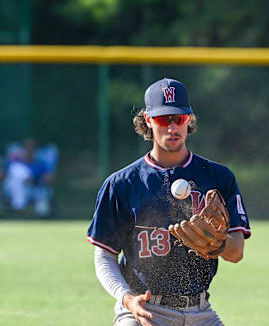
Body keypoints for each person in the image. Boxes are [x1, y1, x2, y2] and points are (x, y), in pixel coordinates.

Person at [87, 78, 251, 326]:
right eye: (164, 119)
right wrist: (126, 298)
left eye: (179, 119)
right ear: (148, 121)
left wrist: (218, 244)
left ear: (189, 121)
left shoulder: (218, 177)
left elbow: (236, 253)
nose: (172, 128)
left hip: (200, 312)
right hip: (143, 310)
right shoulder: (121, 184)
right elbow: (104, 256)